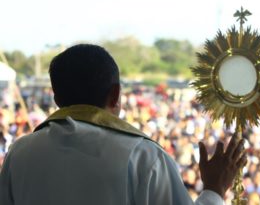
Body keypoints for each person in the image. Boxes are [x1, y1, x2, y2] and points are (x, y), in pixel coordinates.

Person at [0, 44, 247, 205]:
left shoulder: (20, 154)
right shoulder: (144, 158)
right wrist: (214, 190)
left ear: (56, 98)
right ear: (116, 94)